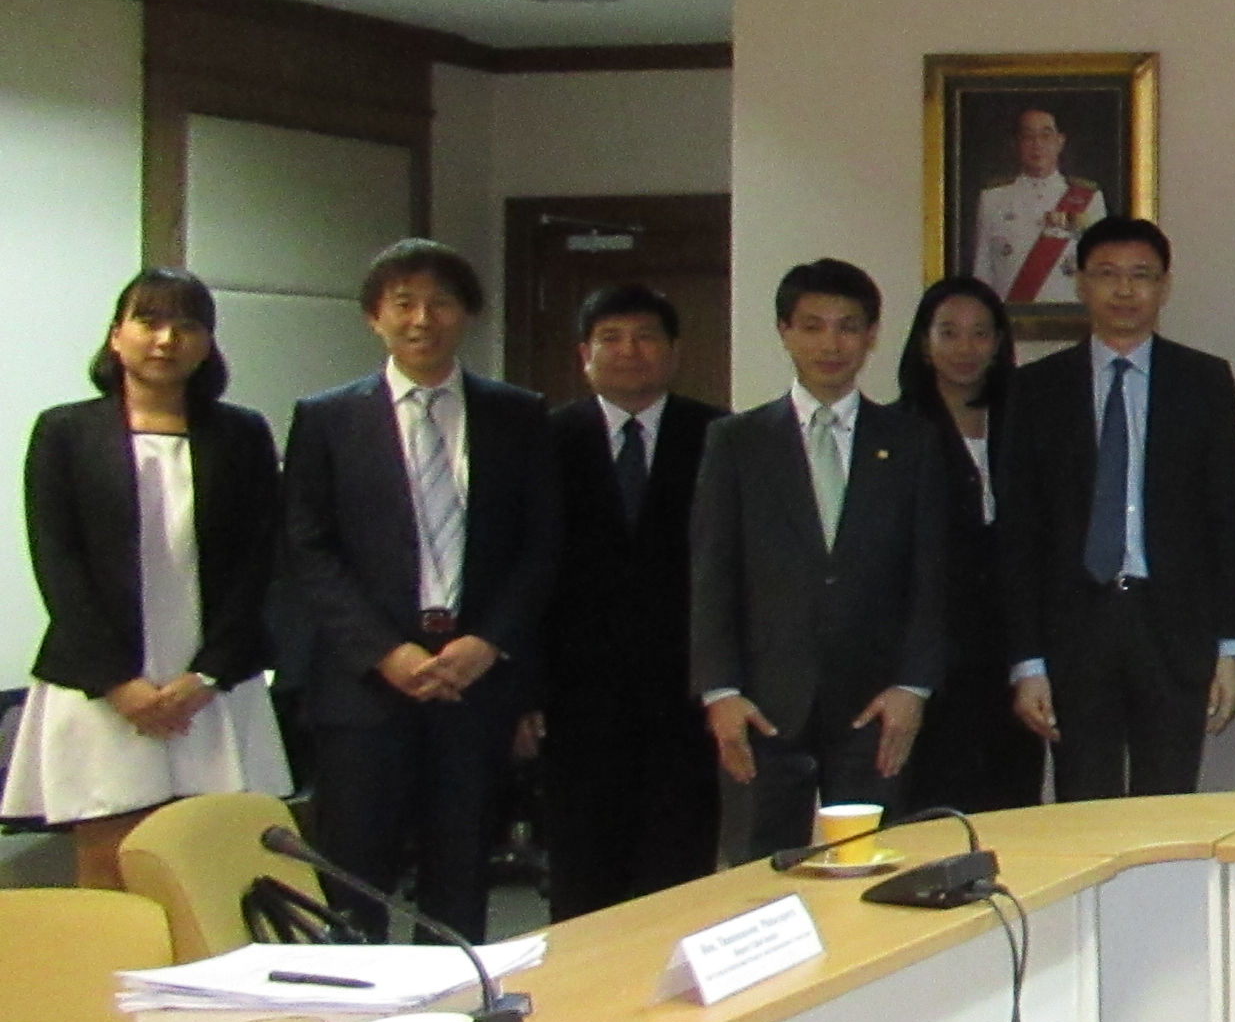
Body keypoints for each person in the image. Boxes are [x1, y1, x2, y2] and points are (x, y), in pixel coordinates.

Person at [282, 239, 559, 938]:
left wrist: (489, 642)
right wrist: (385, 651)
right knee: (354, 873)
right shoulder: (327, 418)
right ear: (374, 316)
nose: (422, 319)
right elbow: (309, 550)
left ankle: (455, 1000)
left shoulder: (517, 414)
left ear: (467, 314)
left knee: (460, 868)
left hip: (474, 680)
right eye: (403, 303)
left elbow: (542, 544)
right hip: (364, 685)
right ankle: (357, 1002)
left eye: (440, 303)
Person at [6, 269, 289, 860]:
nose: (166, 339)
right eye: (149, 321)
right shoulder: (65, 431)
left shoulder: (241, 434)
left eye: (187, 326)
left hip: (211, 685)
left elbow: (259, 562)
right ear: (116, 336)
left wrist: (206, 676)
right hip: (100, 684)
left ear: (207, 344)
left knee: (214, 863)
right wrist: (119, 683)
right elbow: (58, 562)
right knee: (112, 857)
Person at [691, 258, 946, 862]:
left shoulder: (911, 442)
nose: (830, 344)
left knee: (875, 870)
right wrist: (720, 691)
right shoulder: (737, 441)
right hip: (764, 703)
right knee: (758, 874)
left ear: (872, 336)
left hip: (875, 703)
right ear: (784, 331)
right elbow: (713, 574)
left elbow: (932, 577)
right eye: (812, 326)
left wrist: (913, 686)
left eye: (848, 327)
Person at [999, 219, 1235, 801]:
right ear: (1081, 283)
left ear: (1164, 287)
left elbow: (1225, 521)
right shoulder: (1036, 389)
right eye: (1107, 275)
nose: (1125, 290)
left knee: (1168, 804)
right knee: (1084, 805)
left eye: (1142, 276)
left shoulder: (1204, 381)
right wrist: (1027, 662)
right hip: (1073, 631)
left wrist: (1230, 648)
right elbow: (1020, 534)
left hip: (1174, 628)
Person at [532, 283, 721, 916]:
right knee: (582, 880)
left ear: (675, 351)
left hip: (686, 695)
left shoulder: (719, 435)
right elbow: (524, 571)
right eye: (610, 338)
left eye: (645, 337)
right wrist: (526, 693)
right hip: (576, 699)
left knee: (680, 878)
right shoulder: (544, 439)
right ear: (583, 354)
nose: (629, 351)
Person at [893, 274, 1043, 816]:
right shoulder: (896, 430)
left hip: (1012, 652)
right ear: (923, 342)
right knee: (931, 811)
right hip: (931, 657)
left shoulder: (1025, 422)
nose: (965, 347)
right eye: (948, 332)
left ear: (999, 343)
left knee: (1012, 809)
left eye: (980, 333)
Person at [972, 106, 1106, 308]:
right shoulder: (994, 199)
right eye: (1028, 136)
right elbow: (983, 270)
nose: (1037, 144)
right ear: (1016, 143)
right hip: (1011, 316)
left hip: (1069, 316)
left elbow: (1099, 269)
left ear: (1060, 141)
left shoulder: (1089, 198)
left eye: (1046, 135)